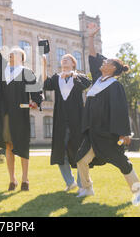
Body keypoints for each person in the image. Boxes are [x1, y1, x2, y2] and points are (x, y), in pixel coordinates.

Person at [75, 22, 140, 205]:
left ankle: (139, 192)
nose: (102, 62)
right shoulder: (98, 81)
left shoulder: (114, 86)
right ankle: (87, 188)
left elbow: (120, 110)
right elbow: (92, 55)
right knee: (81, 160)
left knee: (122, 163)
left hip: (107, 132)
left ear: (113, 68)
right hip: (93, 131)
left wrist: (123, 132)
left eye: (106, 62)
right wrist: (90, 37)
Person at [0, 14, 43, 191]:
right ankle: (12, 179)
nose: (10, 55)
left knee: (22, 144)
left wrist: (36, 101)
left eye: (14, 53)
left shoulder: (27, 72)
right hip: (5, 112)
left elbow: (36, 91)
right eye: (10, 54)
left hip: (20, 112)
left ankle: (25, 179)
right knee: (9, 146)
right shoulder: (4, 70)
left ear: (21, 57)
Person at [42, 53, 91, 192]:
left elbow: (86, 84)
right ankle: (70, 182)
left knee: (80, 153)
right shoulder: (57, 78)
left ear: (73, 63)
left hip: (77, 121)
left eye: (67, 59)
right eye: (62, 58)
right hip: (61, 122)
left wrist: (71, 75)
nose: (64, 59)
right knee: (60, 152)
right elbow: (46, 84)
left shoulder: (79, 76)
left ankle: (82, 184)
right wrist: (44, 64)